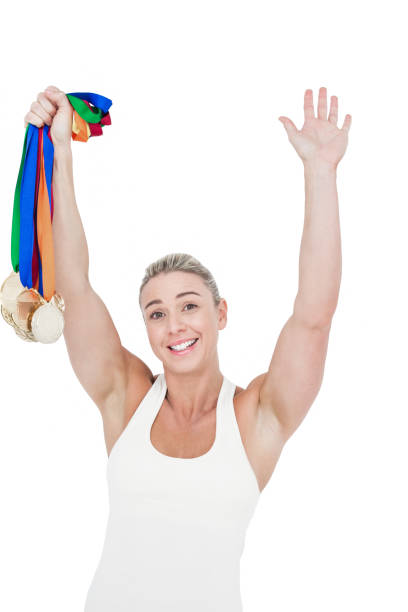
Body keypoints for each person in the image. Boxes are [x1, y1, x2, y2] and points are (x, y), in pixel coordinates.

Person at [24, 85, 351, 611]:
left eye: (190, 305)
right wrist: (60, 149)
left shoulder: (258, 416)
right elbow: (76, 285)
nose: (174, 324)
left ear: (220, 314)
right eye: (156, 313)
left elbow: (313, 317)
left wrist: (321, 173)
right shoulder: (124, 397)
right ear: (147, 329)